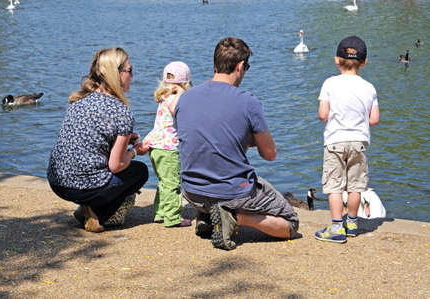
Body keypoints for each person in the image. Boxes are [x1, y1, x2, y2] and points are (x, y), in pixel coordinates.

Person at [174, 37, 299, 250]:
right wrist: (248, 138)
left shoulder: (184, 98)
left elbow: (198, 138)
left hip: (192, 191)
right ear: (240, 66)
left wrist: (237, 137)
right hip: (230, 191)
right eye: (246, 67)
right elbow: (270, 154)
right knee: (291, 223)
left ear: (215, 64)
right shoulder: (247, 101)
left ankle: (208, 215)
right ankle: (233, 216)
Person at [47, 47, 149, 233]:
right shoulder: (122, 112)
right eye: (129, 71)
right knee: (140, 172)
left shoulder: (79, 99)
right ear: (115, 74)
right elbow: (116, 166)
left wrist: (124, 140)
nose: (132, 76)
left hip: (57, 180)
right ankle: (97, 213)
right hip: (83, 186)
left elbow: (89, 141)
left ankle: (87, 207)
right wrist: (135, 151)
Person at [315, 36, 380, 243]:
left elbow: (323, 114)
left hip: (335, 141)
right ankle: (352, 223)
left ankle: (336, 228)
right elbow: (374, 119)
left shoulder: (329, 83)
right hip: (359, 142)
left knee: (334, 186)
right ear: (364, 62)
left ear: (337, 60)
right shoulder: (369, 88)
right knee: (355, 185)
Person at [141, 61, 193, 228]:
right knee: (172, 183)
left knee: (164, 182)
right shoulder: (176, 99)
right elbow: (174, 110)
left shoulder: (163, 96)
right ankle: (173, 217)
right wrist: (182, 92)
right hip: (168, 148)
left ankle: (161, 212)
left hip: (156, 146)